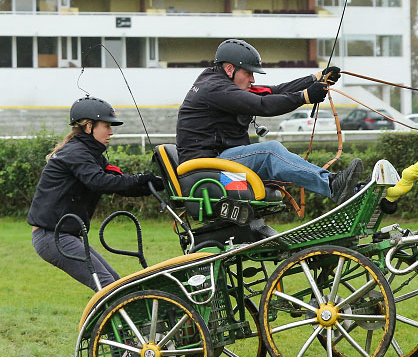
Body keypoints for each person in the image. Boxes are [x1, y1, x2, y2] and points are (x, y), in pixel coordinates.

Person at [176, 39, 363, 205]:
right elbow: (263, 105)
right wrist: (305, 97)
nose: (252, 79)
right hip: (208, 173)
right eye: (249, 73)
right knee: (269, 152)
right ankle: (332, 185)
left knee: (275, 160)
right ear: (230, 69)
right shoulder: (214, 88)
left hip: (218, 169)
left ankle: (352, 191)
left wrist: (316, 78)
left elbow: (273, 92)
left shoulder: (223, 84)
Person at [27, 96, 165, 291]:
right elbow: (99, 182)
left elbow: (118, 182)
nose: (111, 132)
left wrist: (159, 183)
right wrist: (141, 179)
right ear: (89, 126)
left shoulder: (90, 155)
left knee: (116, 284)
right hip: (52, 236)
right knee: (108, 288)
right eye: (106, 126)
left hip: (65, 235)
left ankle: (119, 322)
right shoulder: (75, 153)